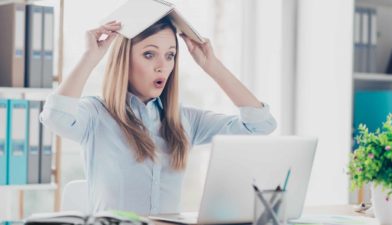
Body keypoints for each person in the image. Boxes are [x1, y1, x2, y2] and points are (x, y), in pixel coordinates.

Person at [40, 16, 277, 215]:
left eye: (170, 55)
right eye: (149, 55)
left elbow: (260, 125)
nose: (162, 66)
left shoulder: (185, 120)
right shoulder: (96, 115)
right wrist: (90, 57)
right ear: (125, 60)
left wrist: (212, 66)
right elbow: (55, 117)